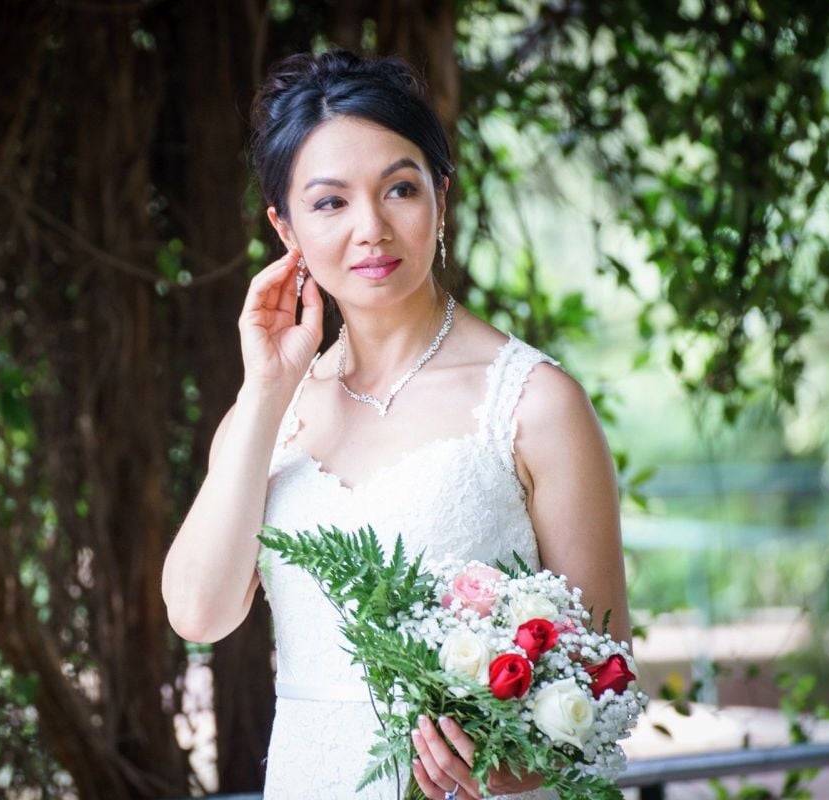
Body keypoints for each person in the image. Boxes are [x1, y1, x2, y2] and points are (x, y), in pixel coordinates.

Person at [162, 49, 630, 800]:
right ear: (286, 228)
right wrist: (266, 389)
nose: (371, 228)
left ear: (440, 197)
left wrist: (514, 763)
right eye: (330, 202)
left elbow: (605, 677)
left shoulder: (536, 403)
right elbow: (200, 612)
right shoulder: (272, 410)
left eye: (400, 189)